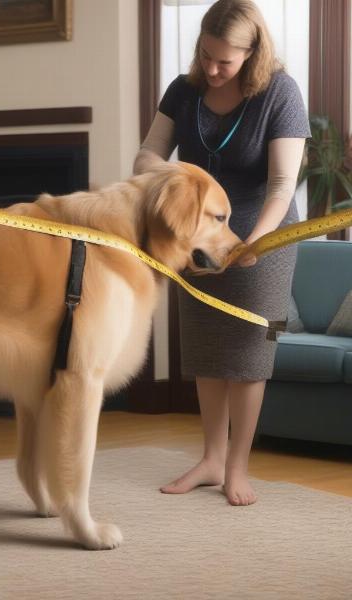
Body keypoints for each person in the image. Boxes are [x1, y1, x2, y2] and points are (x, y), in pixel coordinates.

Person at [133, 0, 310, 506]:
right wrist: (171, 184)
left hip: (263, 234)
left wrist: (254, 240)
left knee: (249, 358)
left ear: (253, 53)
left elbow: (281, 184)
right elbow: (147, 154)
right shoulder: (184, 90)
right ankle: (210, 459)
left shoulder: (281, 92)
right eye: (205, 55)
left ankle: (237, 467)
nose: (211, 69)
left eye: (225, 62)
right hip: (198, 239)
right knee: (207, 353)